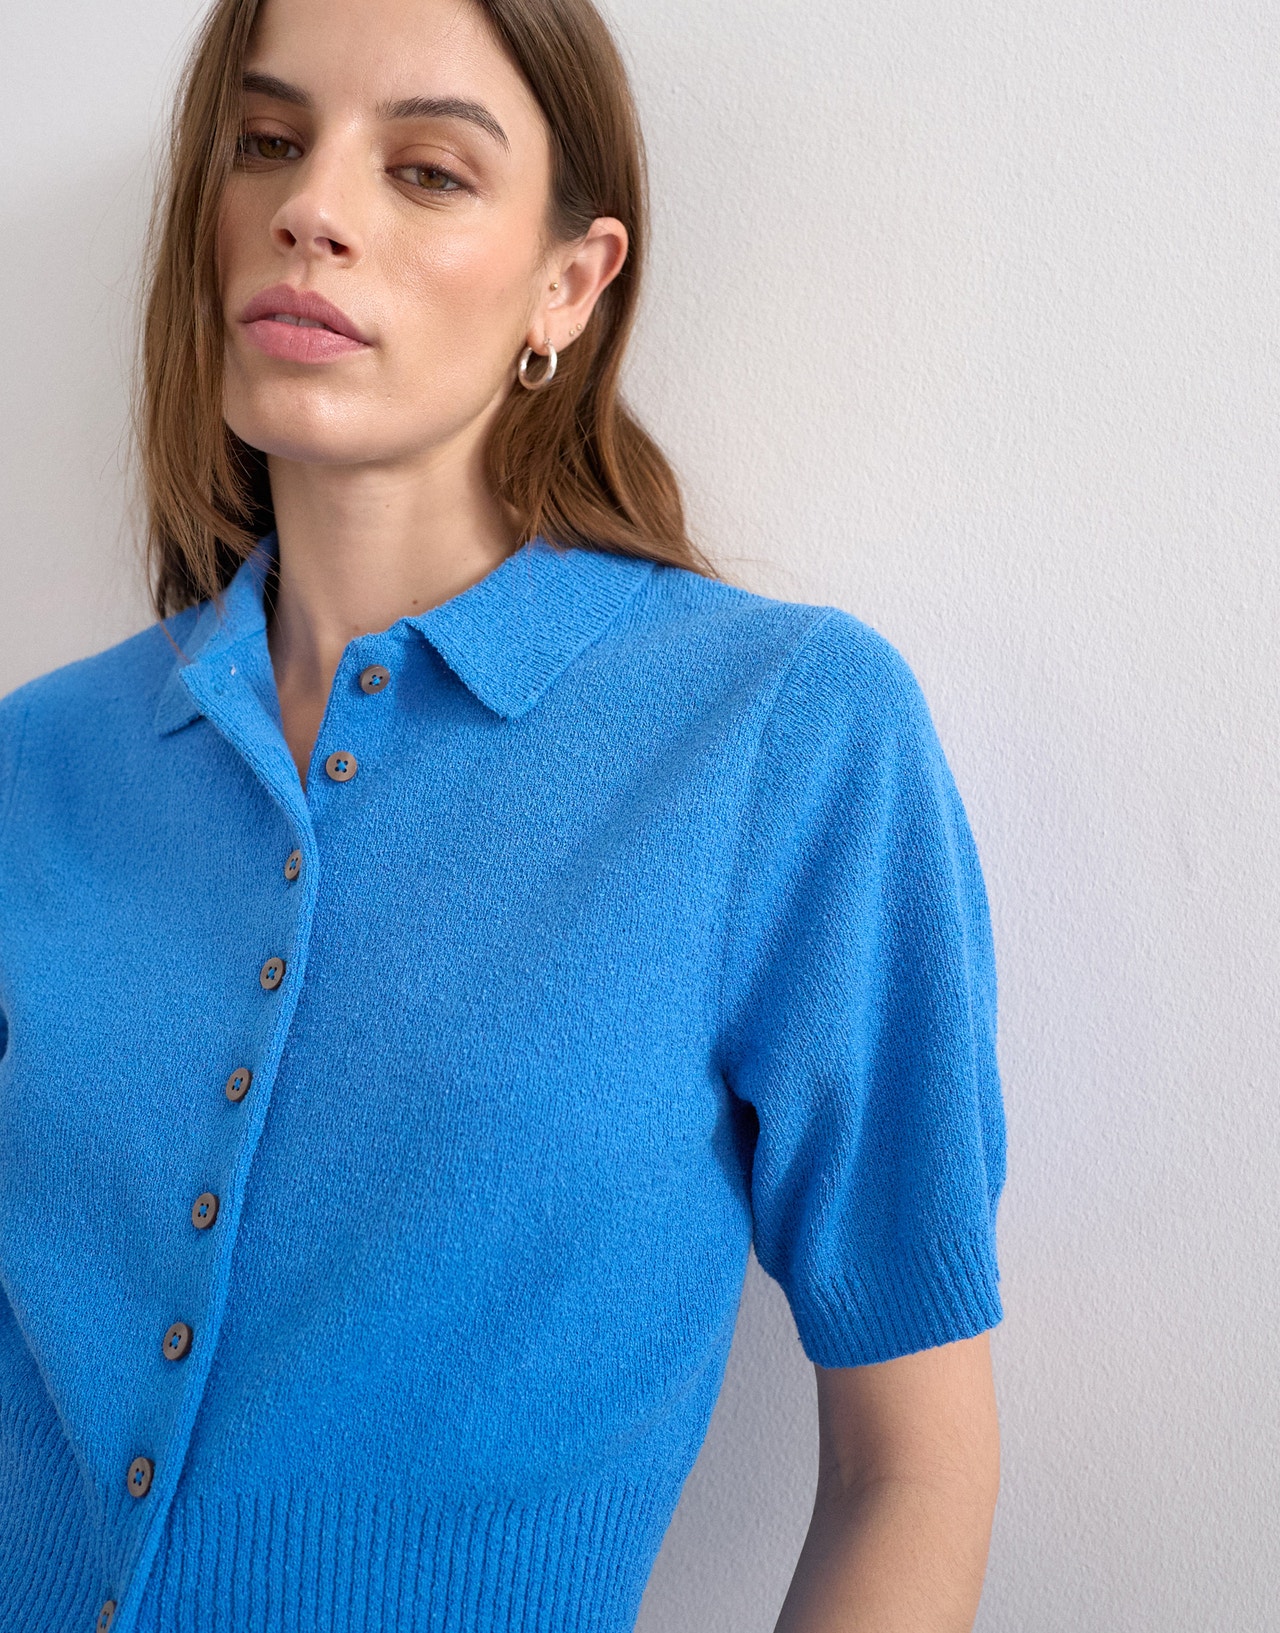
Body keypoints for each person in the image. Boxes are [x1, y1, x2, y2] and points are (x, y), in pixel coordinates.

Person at [0, 0, 1007, 1628]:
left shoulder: (781, 733)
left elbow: (914, 1460)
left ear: (570, 283)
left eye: (427, 170)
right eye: (267, 143)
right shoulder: (39, 761)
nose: (311, 208)